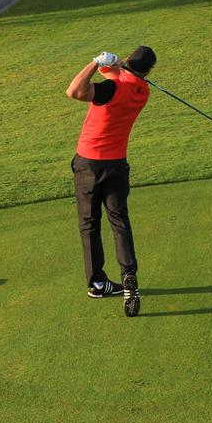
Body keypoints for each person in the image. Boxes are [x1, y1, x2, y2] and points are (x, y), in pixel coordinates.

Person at [65, 46, 155, 317]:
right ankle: (129, 274)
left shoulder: (110, 89)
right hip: (117, 165)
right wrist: (115, 64)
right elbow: (117, 74)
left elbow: (74, 91)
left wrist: (94, 62)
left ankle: (97, 283)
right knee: (119, 222)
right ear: (149, 72)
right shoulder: (142, 91)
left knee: (89, 224)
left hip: (89, 165)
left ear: (128, 61)